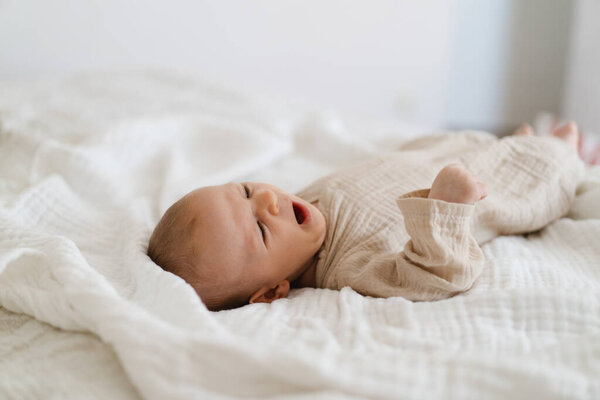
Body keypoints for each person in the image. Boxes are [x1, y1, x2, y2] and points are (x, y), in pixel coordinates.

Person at [147, 122, 584, 311]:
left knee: (491, 143)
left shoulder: (301, 208)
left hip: (441, 153)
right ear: (272, 292)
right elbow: (434, 274)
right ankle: (568, 151)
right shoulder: (350, 269)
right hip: (482, 186)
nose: (269, 202)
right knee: (545, 169)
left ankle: (520, 142)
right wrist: (447, 207)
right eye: (261, 230)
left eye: (245, 191)